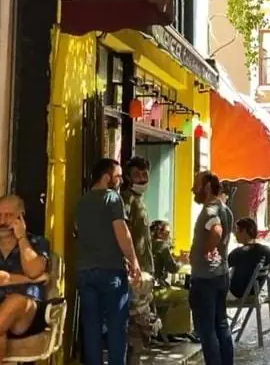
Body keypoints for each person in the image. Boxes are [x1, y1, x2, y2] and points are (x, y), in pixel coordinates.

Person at [0, 195, 51, 365]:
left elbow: (34, 269)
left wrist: (22, 238)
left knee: (16, 301)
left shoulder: (37, 243)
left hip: (26, 317)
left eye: (8, 215)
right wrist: (29, 280)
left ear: (21, 216)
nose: (1, 221)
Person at [76, 158, 141, 365]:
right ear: (106, 177)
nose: (121, 180)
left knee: (92, 326)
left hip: (85, 271)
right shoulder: (112, 198)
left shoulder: (82, 201)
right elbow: (122, 233)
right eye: (118, 176)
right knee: (116, 326)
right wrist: (133, 261)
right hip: (110, 271)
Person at [188, 170, 234, 365]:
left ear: (207, 187)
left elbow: (216, 231)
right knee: (221, 325)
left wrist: (206, 251)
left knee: (207, 330)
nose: (192, 189)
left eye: (196, 185)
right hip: (220, 275)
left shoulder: (210, 210)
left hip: (206, 278)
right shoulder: (225, 209)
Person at [120, 156, 160, 344]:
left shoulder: (139, 200)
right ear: (128, 177)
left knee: (143, 324)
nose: (142, 179)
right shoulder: (127, 200)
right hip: (135, 270)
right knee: (137, 325)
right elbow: (122, 231)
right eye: (137, 175)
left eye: (145, 174)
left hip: (144, 269)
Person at [150, 220, 195, 342]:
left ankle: (163, 332)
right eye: (167, 232)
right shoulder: (162, 245)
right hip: (158, 289)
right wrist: (183, 261)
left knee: (169, 300)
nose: (169, 236)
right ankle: (178, 330)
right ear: (159, 233)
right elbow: (173, 268)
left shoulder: (148, 244)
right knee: (187, 295)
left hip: (148, 288)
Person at [228, 218, 270, 298]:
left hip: (237, 294)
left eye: (237, 230)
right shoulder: (265, 250)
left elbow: (223, 268)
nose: (235, 234)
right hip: (255, 292)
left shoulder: (237, 253)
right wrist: (262, 274)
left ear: (245, 231)